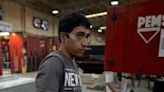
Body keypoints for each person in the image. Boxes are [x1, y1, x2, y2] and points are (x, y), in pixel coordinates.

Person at [35, 12, 91, 92]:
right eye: (79, 36)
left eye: (86, 36)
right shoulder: (53, 63)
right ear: (63, 37)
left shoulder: (72, 62)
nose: (85, 43)